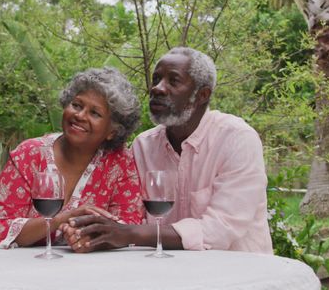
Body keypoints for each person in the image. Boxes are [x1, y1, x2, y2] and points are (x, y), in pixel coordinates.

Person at [61, 47, 273, 254]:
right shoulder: (143, 146)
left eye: (173, 81)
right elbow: (133, 215)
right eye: (156, 79)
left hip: (239, 273)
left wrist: (129, 234)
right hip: (168, 274)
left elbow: (220, 228)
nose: (157, 88)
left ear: (202, 95)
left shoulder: (237, 139)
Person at [0, 67, 144, 248]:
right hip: (22, 270)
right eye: (76, 105)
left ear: (112, 131)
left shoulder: (120, 162)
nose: (80, 115)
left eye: (95, 113)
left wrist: (89, 240)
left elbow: (129, 228)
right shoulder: (29, 154)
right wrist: (61, 219)